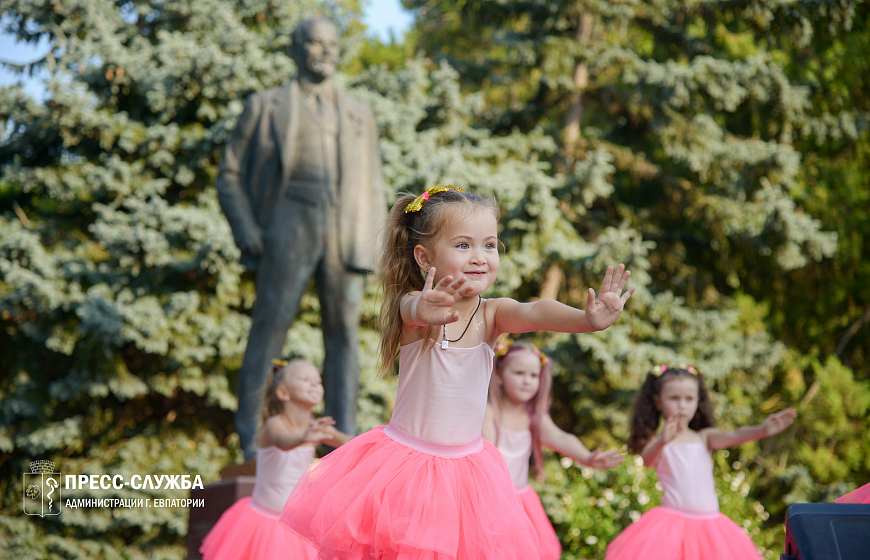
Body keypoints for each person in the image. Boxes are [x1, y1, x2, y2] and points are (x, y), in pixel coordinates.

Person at [279, 185, 636, 559]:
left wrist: (586, 321)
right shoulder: (417, 309)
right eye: (463, 245)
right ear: (423, 256)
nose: (480, 257)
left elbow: (535, 311)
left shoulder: (492, 314)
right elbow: (411, 310)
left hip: (467, 476)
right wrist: (422, 309)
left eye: (490, 245)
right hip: (404, 469)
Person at [215, 17, 386, 459]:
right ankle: (254, 438)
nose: (325, 52)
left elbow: (372, 183)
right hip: (287, 223)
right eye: (315, 43)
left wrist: (374, 245)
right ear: (295, 49)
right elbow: (229, 174)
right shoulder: (266, 105)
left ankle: (342, 443)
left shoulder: (359, 113)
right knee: (269, 329)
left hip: (345, 231)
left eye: (332, 44)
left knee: (345, 337)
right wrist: (247, 229)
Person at [605, 365, 797, 560]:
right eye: (674, 398)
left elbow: (734, 435)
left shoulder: (704, 438)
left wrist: (762, 430)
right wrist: (663, 439)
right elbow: (648, 460)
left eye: (689, 399)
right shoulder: (657, 442)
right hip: (671, 527)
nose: (682, 405)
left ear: (698, 401)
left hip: (712, 528)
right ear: (658, 401)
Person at [483, 339, 624, 560]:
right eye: (519, 373)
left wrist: (586, 457)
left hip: (520, 499)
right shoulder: (488, 413)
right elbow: (487, 456)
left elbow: (559, 436)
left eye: (533, 376)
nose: (527, 381)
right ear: (499, 376)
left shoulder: (533, 417)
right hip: (490, 501)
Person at [200, 359, 352, 560]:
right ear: (283, 393)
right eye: (305, 379)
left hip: (294, 526)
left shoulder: (318, 429)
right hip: (261, 521)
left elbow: (353, 443)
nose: (315, 384)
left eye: (318, 381)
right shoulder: (274, 424)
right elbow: (283, 442)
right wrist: (304, 437)